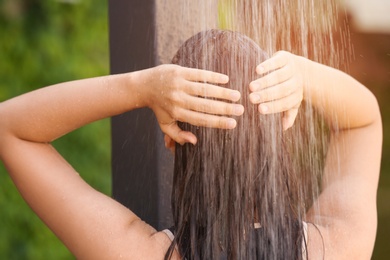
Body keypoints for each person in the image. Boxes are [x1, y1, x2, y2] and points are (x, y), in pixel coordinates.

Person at [0, 28, 381, 259]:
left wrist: (141, 87)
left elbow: (10, 128)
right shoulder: (332, 248)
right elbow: (362, 122)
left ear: (171, 140)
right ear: (278, 134)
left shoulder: (136, 254)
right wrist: (300, 74)